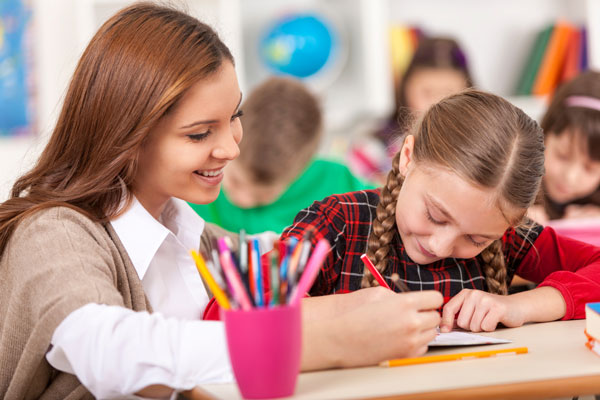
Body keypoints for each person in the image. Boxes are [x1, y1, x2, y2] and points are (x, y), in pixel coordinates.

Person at [0, 4, 442, 399]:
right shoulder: (53, 234)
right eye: (199, 133)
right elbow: (110, 351)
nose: (231, 148)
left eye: (235, 117)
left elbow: (283, 257)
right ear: (126, 137)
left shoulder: (189, 234)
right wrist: (331, 340)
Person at [283, 89, 600, 334]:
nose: (439, 246)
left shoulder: (506, 239)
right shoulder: (338, 222)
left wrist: (520, 306)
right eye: (435, 216)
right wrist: (350, 312)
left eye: (475, 239)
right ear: (408, 157)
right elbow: (254, 304)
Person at [190, 76, 375, 234]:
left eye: (263, 195)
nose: (243, 200)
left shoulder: (338, 183)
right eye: (236, 181)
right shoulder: (196, 181)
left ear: (301, 172)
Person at [349, 37, 473, 183]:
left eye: (449, 93)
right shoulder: (373, 149)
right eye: (427, 92)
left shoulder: (477, 148)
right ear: (405, 89)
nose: (437, 103)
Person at [528, 70, 600, 224]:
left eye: (590, 168)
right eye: (562, 155)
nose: (570, 177)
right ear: (544, 135)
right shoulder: (510, 181)